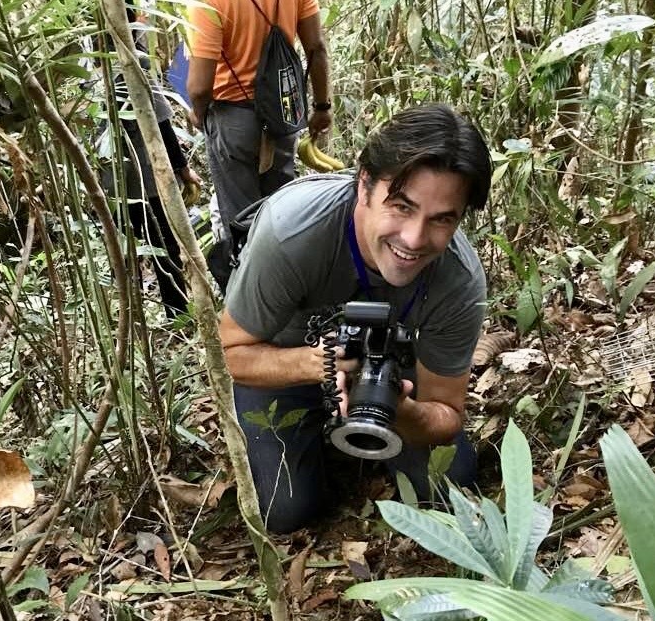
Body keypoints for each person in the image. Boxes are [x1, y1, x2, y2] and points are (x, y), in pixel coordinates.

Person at [218, 104, 492, 533]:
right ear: (364, 185)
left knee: (447, 483)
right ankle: (314, 440)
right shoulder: (293, 233)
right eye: (401, 206)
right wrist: (317, 364)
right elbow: (230, 354)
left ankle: (362, 423)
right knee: (285, 511)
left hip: (389, 370)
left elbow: (446, 411)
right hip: (285, 358)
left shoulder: (458, 279)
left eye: (442, 220)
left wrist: (402, 411)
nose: (415, 239)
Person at [184, 0, 333, 243]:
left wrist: (198, 114)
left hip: (234, 117)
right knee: (279, 207)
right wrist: (321, 106)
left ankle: (247, 273)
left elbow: (200, 88)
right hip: (283, 111)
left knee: (242, 219)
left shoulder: (207, 3)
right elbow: (316, 47)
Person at [99, 11, 201, 319]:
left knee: (127, 248)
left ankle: (130, 315)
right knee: (164, 246)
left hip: (112, 178)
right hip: (145, 175)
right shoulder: (134, 60)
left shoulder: (95, 64)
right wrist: (183, 169)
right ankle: (177, 312)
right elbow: (162, 123)